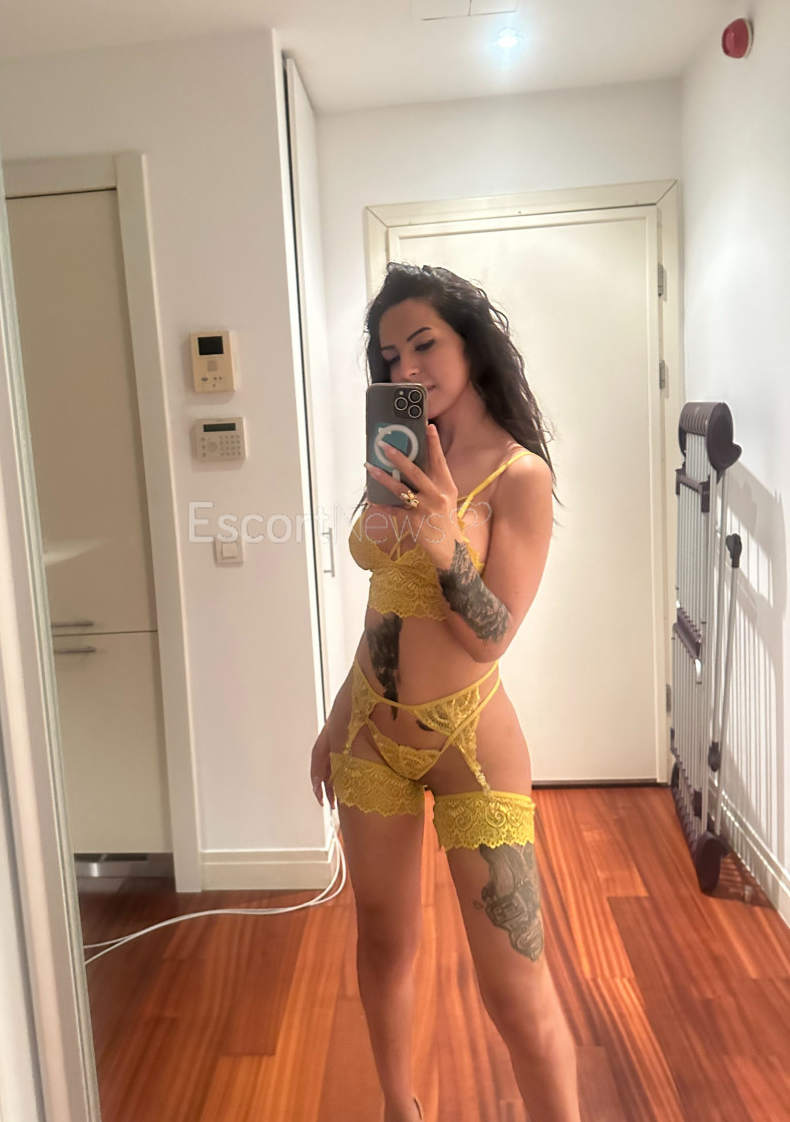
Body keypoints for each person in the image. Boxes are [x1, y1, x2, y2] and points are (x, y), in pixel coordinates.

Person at [310, 264, 581, 1122]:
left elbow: (491, 634)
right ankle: (400, 1109)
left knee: (515, 986)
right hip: (370, 734)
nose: (407, 368)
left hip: (470, 744)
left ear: (473, 343)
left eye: (424, 344)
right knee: (384, 943)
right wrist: (336, 718)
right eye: (390, 357)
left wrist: (442, 543)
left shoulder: (518, 476)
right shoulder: (399, 456)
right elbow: (381, 610)